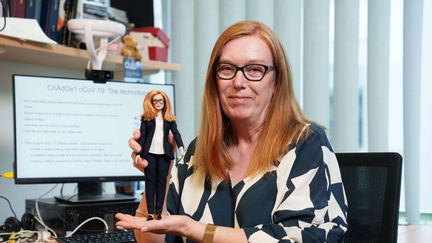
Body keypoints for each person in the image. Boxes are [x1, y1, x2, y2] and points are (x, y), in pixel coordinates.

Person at [116, 20, 348, 242]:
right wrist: (160, 174)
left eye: (255, 69)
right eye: (227, 69)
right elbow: (152, 238)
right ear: (214, 81)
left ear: (276, 82)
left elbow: (298, 237)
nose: (238, 82)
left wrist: (193, 229)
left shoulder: (306, 144)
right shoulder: (197, 152)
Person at [136, 89, 184, 220]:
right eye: (155, 101)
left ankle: (159, 213)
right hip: (149, 153)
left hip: (164, 154)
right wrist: (139, 153)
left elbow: (176, 133)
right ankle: (150, 213)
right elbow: (143, 136)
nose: (158, 103)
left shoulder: (169, 119)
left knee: (162, 183)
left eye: (160, 100)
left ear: (165, 102)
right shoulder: (147, 119)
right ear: (151, 102)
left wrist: (180, 146)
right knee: (150, 182)